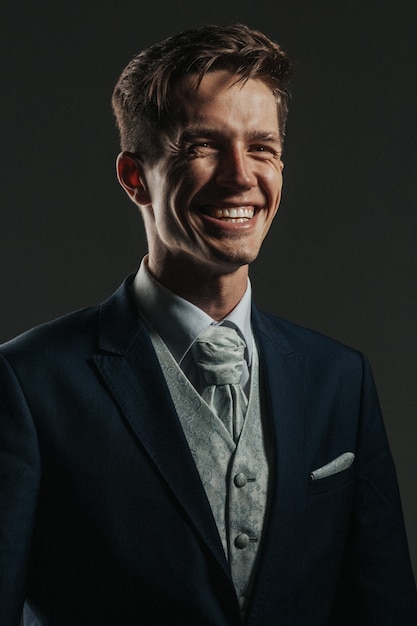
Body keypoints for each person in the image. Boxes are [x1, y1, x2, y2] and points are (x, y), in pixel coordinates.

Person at [0, 24, 416, 626]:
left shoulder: (339, 378)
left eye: (262, 148)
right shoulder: (27, 383)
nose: (240, 176)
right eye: (202, 145)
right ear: (134, 177)